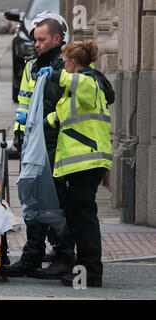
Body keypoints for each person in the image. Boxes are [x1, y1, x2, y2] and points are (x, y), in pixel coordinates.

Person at [3, 15, 76, 279]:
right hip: (33, 144)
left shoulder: (64, 67)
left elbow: (62, 110)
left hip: (56, 145)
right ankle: (32, 257)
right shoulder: (33, 66)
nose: (36, 44)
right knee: (32, 201)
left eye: (41, 40)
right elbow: (24, 103)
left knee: (56, 203)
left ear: (56, 39)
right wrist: (20, 136)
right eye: (35, 40)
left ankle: (65, 257)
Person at [38, 40, 114, 287]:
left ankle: (90, 273)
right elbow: (63, 114)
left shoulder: (88, 81)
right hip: (83, 163)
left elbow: (72, 81)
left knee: (84, 219)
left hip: (87, 161)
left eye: (63, 61)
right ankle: (86, 271)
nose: (61, 65)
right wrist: (38, 123)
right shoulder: (79, 89)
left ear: (73, 62)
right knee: (80, 216)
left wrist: (55, 73)